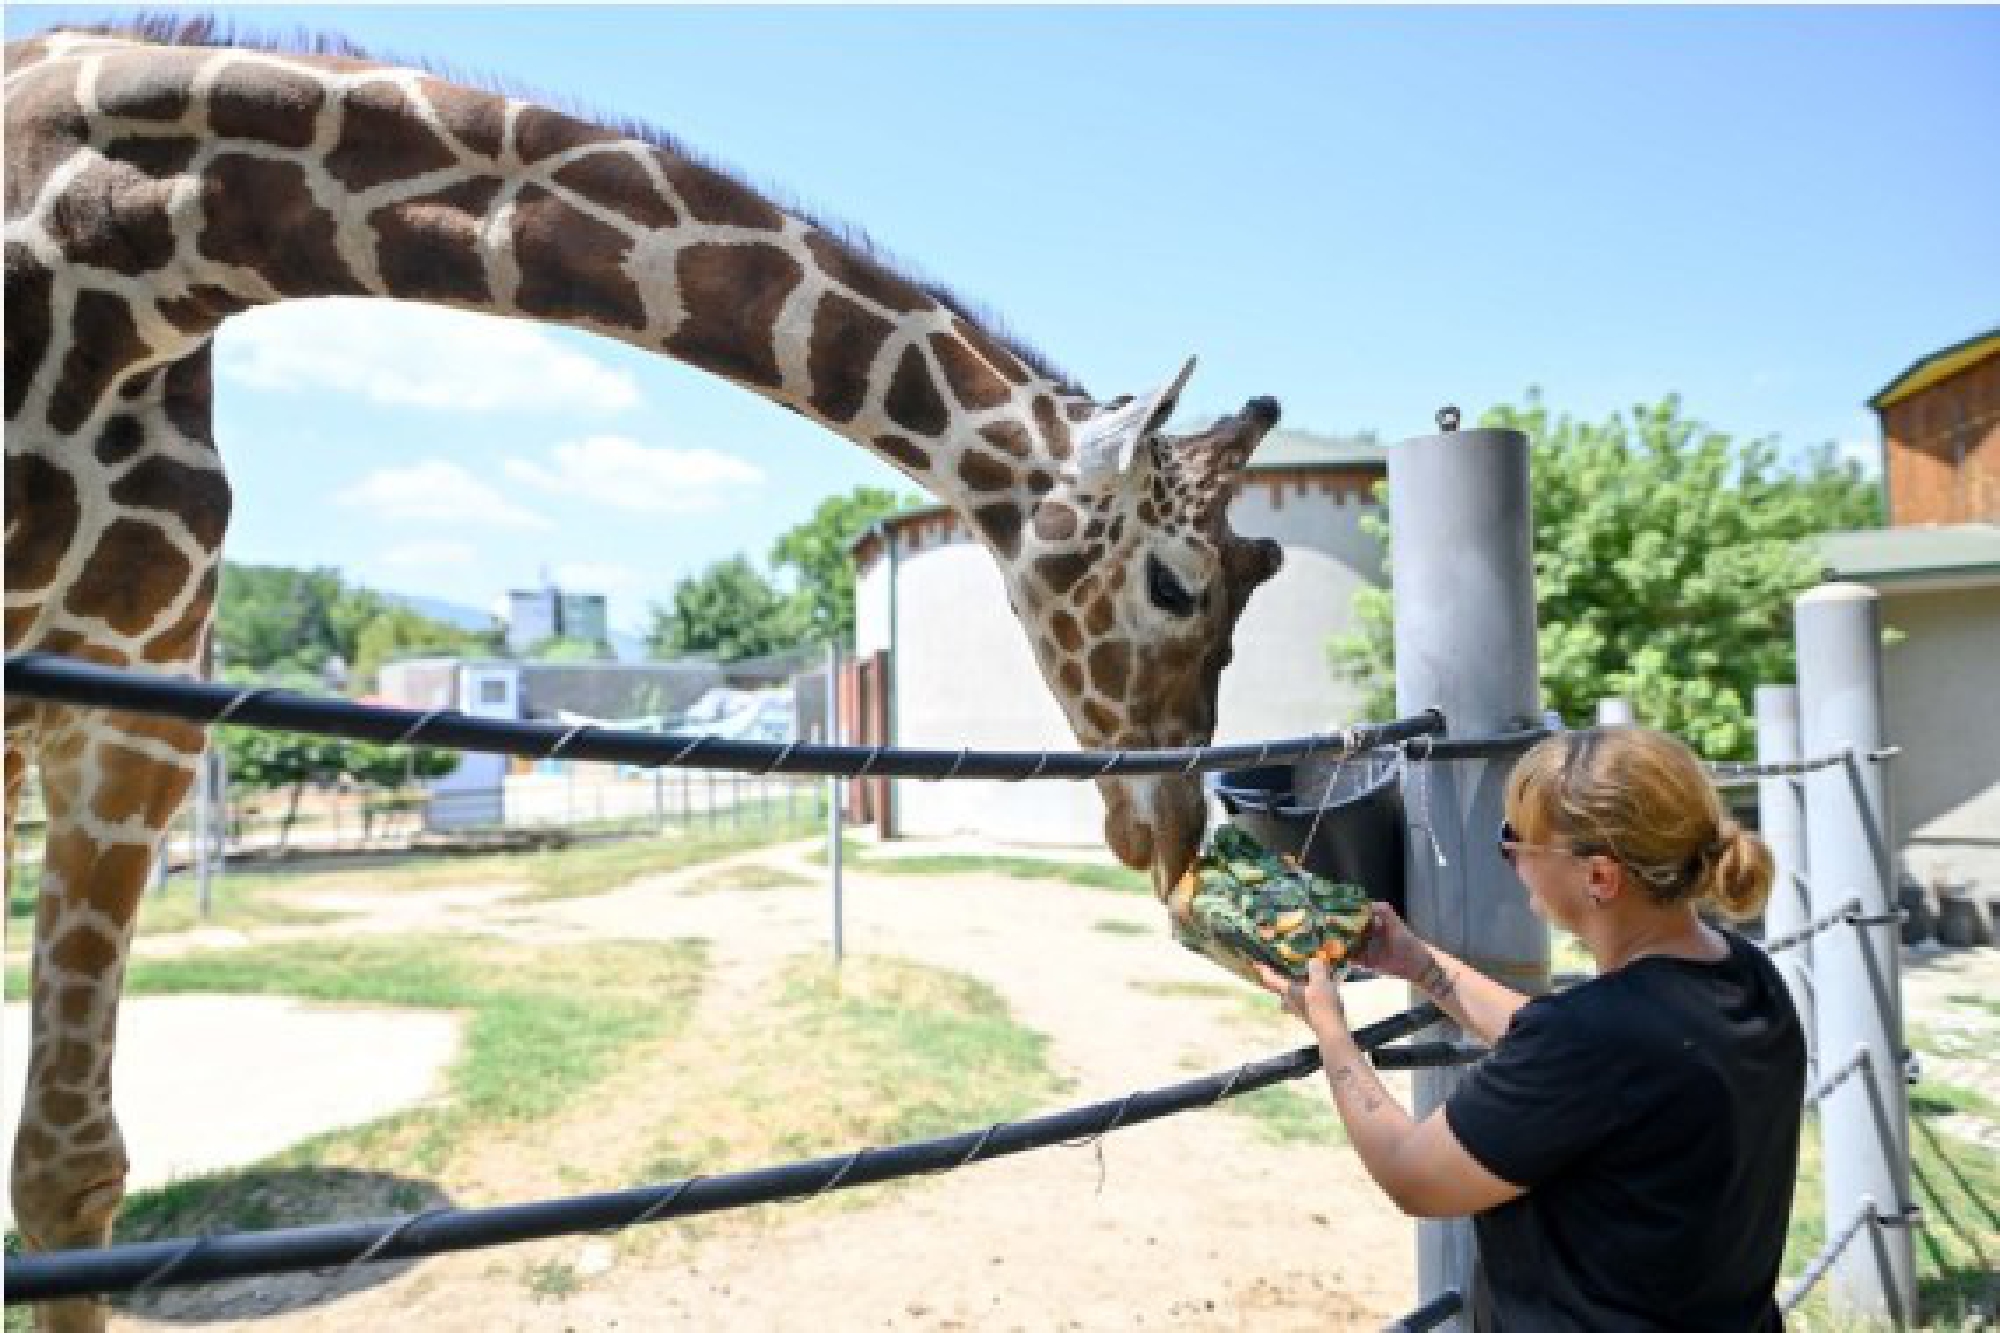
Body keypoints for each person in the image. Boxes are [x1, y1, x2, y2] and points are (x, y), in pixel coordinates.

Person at [1256, 725, 1806, 1332]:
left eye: (1516, 841)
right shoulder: (1745, 977)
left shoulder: (1597, 1038)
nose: (1511, 857)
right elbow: (1571, 1061)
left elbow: (1414, 1177)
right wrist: (1424, 966)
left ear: (1599, 877)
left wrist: (1330, 1029)